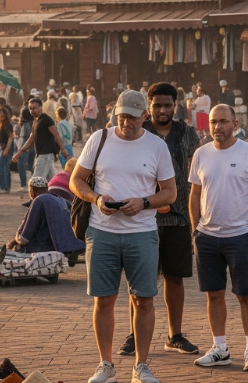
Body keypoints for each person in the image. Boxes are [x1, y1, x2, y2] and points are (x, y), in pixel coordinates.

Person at [69, 90, 176, 383]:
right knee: (103, 300)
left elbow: (170, 192)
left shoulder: (156, 146)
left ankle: (141, 365)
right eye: (121, 116)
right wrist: (96, 198)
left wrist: (143, 202)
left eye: (132, 117)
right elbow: (75, 180)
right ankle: (106, 364)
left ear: (145, 116)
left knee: (144, 300)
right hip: (102, 231)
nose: (126, 122)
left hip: (142, 232)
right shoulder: (99, 139)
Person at [116, 83, 201, 356]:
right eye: (157, 105)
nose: (162, 110)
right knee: (140, 280)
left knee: (175, 278)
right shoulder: (137, 133)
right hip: (143, 217)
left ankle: (174, 335)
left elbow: (199, 176)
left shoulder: (188, 135)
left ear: (175, 106)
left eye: (167, 105)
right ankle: (134, 333)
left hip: (178, 217)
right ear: (147, 108)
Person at [189, 104, 248, 371]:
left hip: (239, 236)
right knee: (214, 295)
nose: (217, 127)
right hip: (207, 236)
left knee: (246, 294)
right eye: (213, 122)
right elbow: (195, 194)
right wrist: (195, 230)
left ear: (235, 124)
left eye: (223, 122)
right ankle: (220, 348)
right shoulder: (201, 154)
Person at [7, 176, 85, 254]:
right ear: (47, 189)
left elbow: (24, 239)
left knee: (17, 248)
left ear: (32, 191)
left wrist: (16, 240)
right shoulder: (61, 199)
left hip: (45, 248)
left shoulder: (39, 200)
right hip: (68, 246)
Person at [12, 98, 72, 181]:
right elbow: (31, 138)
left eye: (34, 108)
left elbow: (56, 135)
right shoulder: (35, 121)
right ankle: (56, 193)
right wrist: (20, 152)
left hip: (46, 154)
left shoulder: (47, 120)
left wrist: (63, 149)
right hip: (41, 154)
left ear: (41, 107)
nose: (32, 110)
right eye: (30, 108)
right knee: (51, 182)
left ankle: (37, 194)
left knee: (36, 181)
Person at [17, 98, 36, 191]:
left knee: (21, 164)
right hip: (32, 148)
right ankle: (30, 184)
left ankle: (24, 184)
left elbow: (27, 138)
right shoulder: (34, 123)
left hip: (25, 148)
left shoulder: (26, 125)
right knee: (30, 166)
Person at [0, 107, 14, 194]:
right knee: (3, 167)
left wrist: (7, 149)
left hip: (5, 146)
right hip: (2, 146)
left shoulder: (6, 124)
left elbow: (11, 137)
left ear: (6, 114)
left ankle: (3, 187)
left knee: (2, 167)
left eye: (2, 113)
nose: (0, 115)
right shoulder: (1, 124)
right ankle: (4, 187)